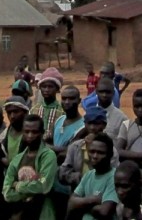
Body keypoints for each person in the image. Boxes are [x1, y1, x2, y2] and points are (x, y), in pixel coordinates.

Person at [2, 114, 58, 220]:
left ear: (42, 133)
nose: (30, 135)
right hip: (19, 214)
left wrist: (18, 186)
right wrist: (32, 189)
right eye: (26, 132)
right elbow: (7, 193)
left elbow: (43, 185)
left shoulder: (48, 156)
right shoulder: (17, 159)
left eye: (34, 132)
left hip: (42, 212)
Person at [59, 106, 121, 190]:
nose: (92, 127)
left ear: (104, 125)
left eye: (96, 124)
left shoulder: (111, 151)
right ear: (85, 124)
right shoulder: (75, 147)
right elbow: (63, 173)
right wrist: (80, 177)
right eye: (89, 123)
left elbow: (113, 178)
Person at [50, 85, 85, 219]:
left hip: (69, 183)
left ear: (79, 101)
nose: (67, 102)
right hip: (53, 180)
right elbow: (51, 142)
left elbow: (67, 153)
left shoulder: (83, 126)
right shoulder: (59, 120)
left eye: (71, 99)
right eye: (64, 98)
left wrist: (49, 149)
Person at [67, 133, 119, 220]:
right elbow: (71, 203)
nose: (95, 156)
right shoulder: (88, 175)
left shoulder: (114, 177)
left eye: (100, 153)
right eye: (92, 152)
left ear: (110, 154)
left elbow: (104, 211)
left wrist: (81, 206)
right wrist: (94, 199)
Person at [29, 66, 64, 142]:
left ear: (57, 89)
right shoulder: (34, 110)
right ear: (40, 88)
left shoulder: (62, 112)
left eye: (50, 87)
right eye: (44, 87)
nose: (46, 90)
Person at [0, 96, 30, 167]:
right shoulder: (1, 138)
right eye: (9, 113)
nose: (12, 116)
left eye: (16, 112)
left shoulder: (33, 135)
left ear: (25, 112)